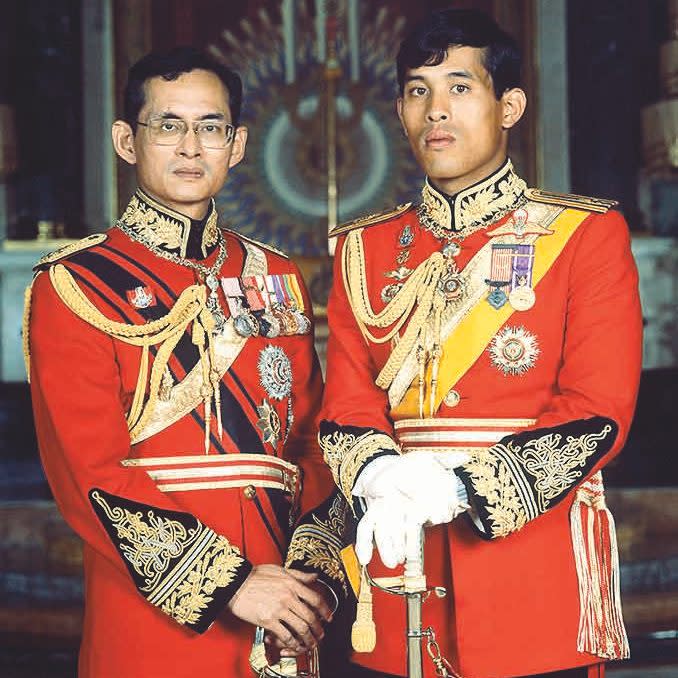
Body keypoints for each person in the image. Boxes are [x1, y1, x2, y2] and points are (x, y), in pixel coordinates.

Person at [291, 9, 642, 678]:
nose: (435, 111)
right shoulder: (361, 250)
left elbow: (599, 412)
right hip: (397, 577)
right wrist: (377, 473)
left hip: (531, 584)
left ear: (509, 105)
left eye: (459, 87)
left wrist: (461, 488)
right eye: (418, 90)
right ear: (399, 109)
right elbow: (345, 402)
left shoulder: (582, 237)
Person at [24, 47, 334, 677]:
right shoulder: (75, 284)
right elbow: (91, 471)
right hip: (154, 620)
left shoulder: (273, 275)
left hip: (283, 614)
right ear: (127, 141)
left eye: (211, 127)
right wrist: (231, 584)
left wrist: (306, 574)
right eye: (169, 126)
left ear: (238, 144)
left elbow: (314, 441)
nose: (191, 147)